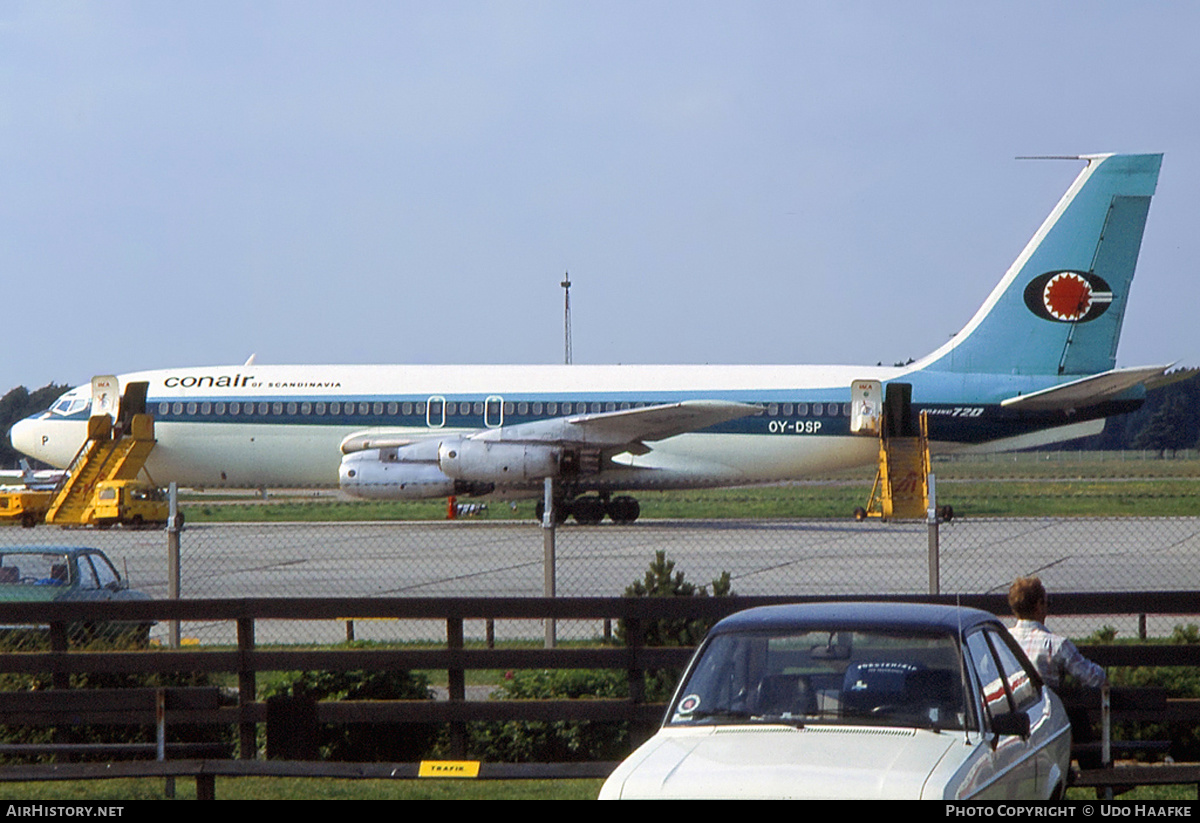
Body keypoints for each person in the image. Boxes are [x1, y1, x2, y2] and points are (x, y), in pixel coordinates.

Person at [1008, 576, 1106, 690]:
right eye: (1047, 603)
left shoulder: (1000, 639)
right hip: (1046, 705)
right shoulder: (1055, 645)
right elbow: (1094, 678)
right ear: (1039, 605)